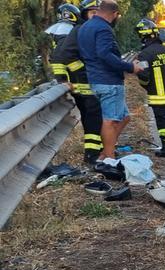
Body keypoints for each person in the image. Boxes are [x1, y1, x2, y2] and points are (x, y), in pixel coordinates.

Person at [77, 0, 142, 176]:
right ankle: (108, 159)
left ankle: (106, 151)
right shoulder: (104, 28)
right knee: (110, 120)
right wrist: (130, 68)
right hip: (108, 82)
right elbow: (105, 54)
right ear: (114, 14)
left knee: (124, 117)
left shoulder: (85, 27)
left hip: (95, 79)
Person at [49, 2, 104, 165]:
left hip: (82, 84)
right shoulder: (72, 32)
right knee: (93, 118)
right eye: (92, 13)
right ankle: (92, 155)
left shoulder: (65, 31)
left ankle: (95, 151)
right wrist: (65, 79)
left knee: (92, 118)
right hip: (83, 85)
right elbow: (59, 59)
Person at [134, 18, 165, 158]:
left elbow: (144, 77)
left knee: (162, 121)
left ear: (143, 36)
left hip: (157, 95)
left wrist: (145, 86)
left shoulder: (145, 54)